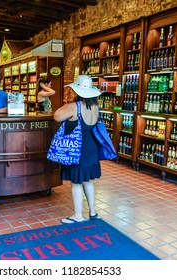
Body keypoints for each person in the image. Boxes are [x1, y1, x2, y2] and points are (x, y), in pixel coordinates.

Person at [53, 75, 101, 224]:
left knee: (76, 183)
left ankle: (78, 215)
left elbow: (57, 116)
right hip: (91, 148)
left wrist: (68, 103)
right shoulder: (95, 106)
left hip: (77, 150)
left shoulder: (75, 106)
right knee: (87, 180)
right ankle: (93, 212)